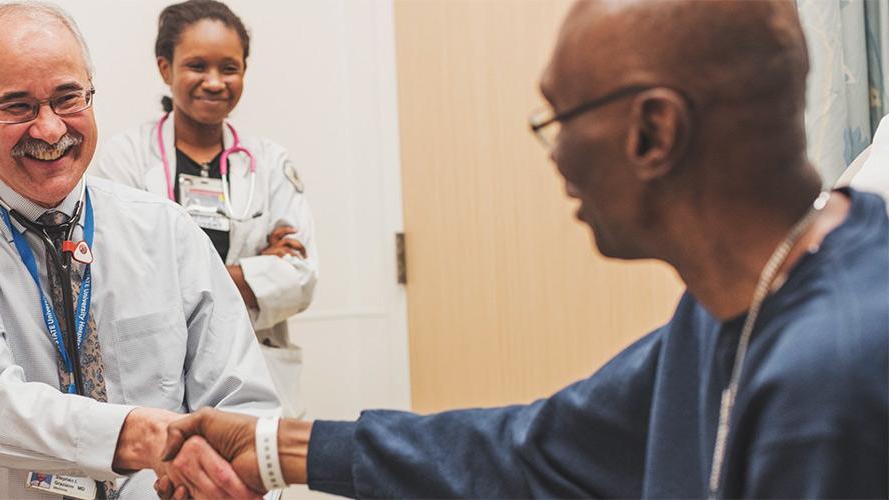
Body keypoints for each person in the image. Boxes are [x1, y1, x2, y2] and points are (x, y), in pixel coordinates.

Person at [152, 0, 889, 498]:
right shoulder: (727, 308)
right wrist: (277, 447)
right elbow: (536, 448)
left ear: (654, 133)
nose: (557, 156)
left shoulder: (833, 378)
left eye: (560, 118)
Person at [0, 3, 280, 498]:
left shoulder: (166, 231)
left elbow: (243, 399)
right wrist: (141, 436)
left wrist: (235, 473)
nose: (50, 129)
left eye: (67, 98)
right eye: (17, 106)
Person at [92, 0, 318, 418]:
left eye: (229, 68)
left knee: (250, 478)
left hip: (256, 374)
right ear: (166, 69)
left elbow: (300, 277)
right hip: (156, 383)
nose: (214, 82)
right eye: (197, 66)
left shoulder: (269, 163)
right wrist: (251, 271)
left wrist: (176, 278)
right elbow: (119, 280)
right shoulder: (126, 159)